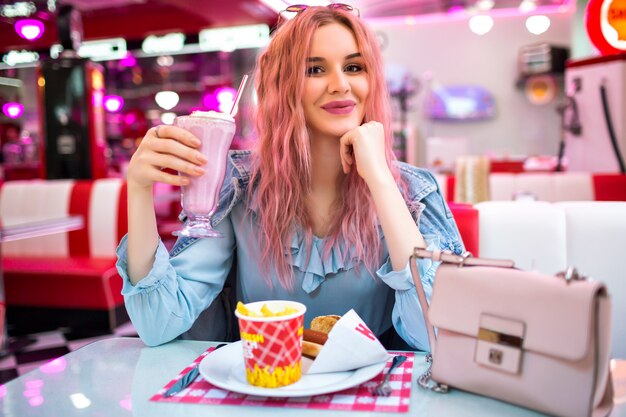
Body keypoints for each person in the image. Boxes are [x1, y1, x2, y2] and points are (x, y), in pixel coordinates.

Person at [116, 4, 464, 350]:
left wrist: (381, 179)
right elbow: (158, 323)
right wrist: (139, 188)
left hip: (370, 399)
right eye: (314, 69)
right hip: (261, 391)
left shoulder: (414, 193)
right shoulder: (238, 187)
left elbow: (439, 336)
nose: (340, 85)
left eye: (354, 67)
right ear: (282, 84)